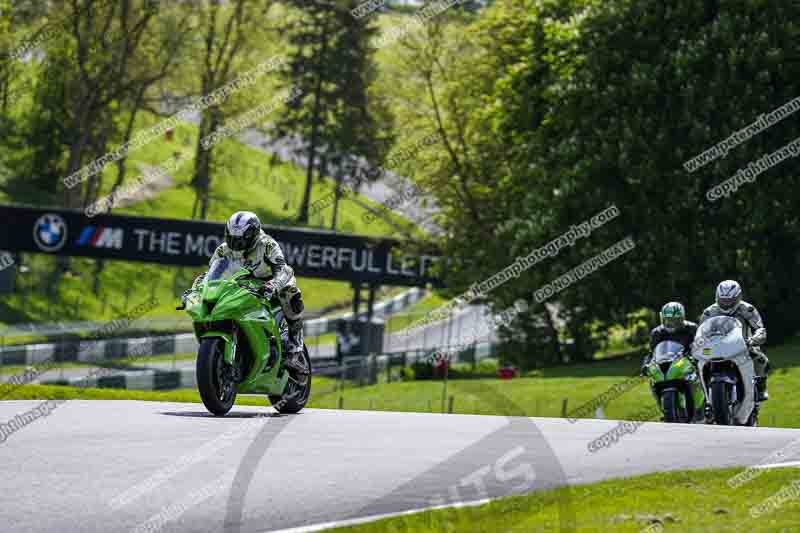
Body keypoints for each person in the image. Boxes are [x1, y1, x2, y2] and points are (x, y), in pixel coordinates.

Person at [185, 211, 307, 374]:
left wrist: (273, 285)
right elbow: (210, 276)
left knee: (290, 293)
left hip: (270, 284)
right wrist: (195, 290)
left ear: (253, 235)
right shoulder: (222, 250)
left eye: (240, 239)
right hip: (241, 286)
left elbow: (283, 269)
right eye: (232, 239)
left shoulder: (267, 245)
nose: (236, 244)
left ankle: (296, 350)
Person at [699, 280, 768, 401]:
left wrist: (754, 339)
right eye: (723, 300)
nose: (726, 304)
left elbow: (759, 328)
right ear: (717, 297)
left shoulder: (748, 309)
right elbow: (700, 332)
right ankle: (703, 395)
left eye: (730, 300)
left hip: (743, 345)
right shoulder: (709, 312)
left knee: (761, 360)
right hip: (716, 347)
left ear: (738, 297)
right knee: (697, 363)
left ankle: (761, 389)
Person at [640, 302, 697, 375]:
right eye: (668, 319)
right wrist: (645, 365)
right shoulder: (657, 332)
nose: (671, 323)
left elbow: (699, 347)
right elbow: (652, 353)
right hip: (664, 365)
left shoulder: (691, 328)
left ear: (682, 318)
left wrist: (694, 359)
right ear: (663, 319)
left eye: (675, 320)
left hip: (687, 366)